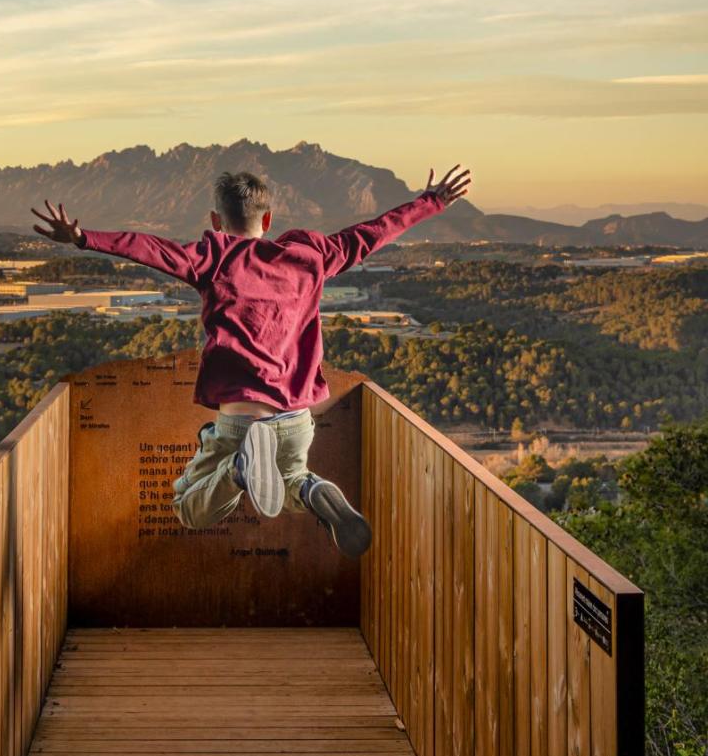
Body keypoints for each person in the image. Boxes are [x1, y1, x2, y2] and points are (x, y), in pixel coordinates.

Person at [32, 162, 470, 557]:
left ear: (216, 222)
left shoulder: (214, 256)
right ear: (268, 220)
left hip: (240, 422)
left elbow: (150, 247)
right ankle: (313, 490)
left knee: (188, 506)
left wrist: (82, 238)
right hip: (297, 419)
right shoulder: (310, 256)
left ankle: (240, 471)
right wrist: (430, 201)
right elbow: (373, 232)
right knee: (292, 479)